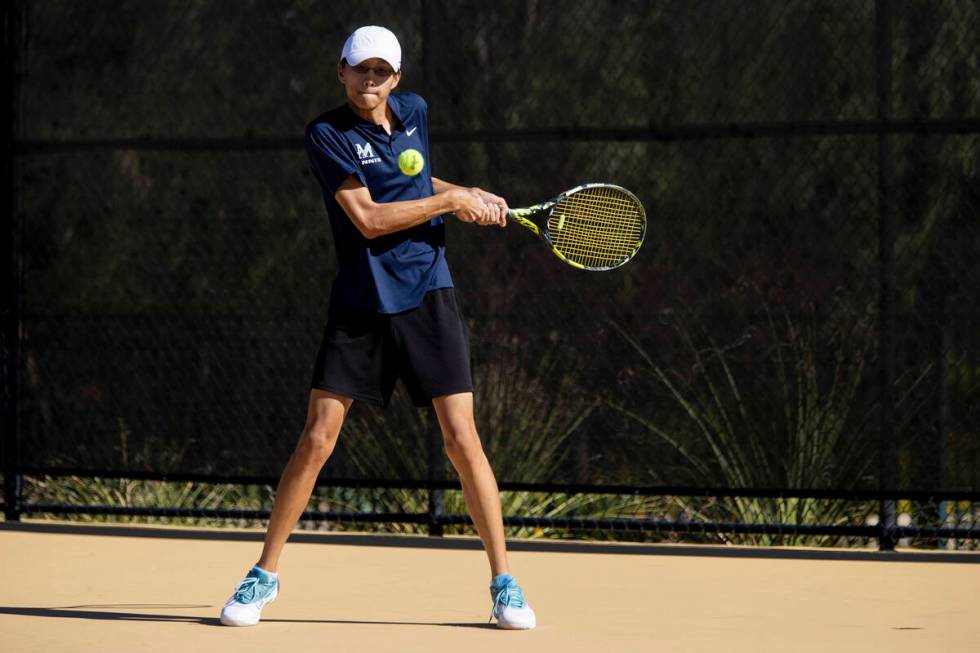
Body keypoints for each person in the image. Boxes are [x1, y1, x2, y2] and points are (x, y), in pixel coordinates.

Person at [219, 25, 536, 630]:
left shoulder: (413, 112)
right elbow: (366, 217)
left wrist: (464, 192)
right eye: (360, 69)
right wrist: (449, 203)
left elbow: (417, 184)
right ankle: (263, 575)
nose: (372, 81)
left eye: (382, 72)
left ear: (398, 78)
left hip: (429, 293)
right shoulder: (327, 134)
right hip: (363, 300)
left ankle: (504, 584)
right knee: (316, 439)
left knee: (462, 439)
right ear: (340, 70)